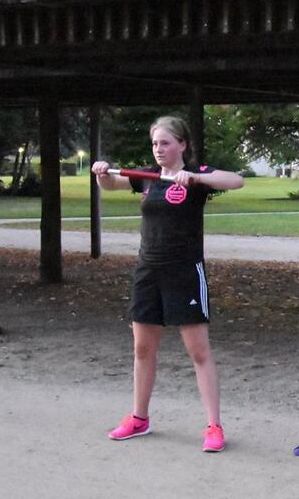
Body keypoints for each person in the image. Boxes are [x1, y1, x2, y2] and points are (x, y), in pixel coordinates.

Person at [91, 116, 245, 453]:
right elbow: (114, 184)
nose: (159, 150)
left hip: (184, 272)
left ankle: (214, 427)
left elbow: (236, 181)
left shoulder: (197, 176)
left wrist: (196, 177)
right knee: (143, 349)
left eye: (165, 143)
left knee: (198, 352)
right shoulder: (148, 178)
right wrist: (103, 173)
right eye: (155, 144)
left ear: (182, 145)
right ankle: (139, 418)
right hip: (148, 271)